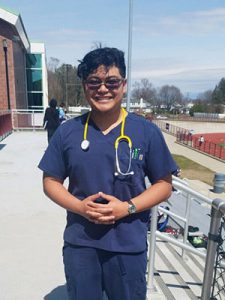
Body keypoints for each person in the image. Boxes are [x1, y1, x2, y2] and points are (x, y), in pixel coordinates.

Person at [38, 47, 177, 300]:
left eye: (111, 81)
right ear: (84, 86)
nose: (103, 89)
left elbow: (164, 184)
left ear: (123, 85)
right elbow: (50, 181)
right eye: (94, 82)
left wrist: (128, 208)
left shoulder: (146, 132)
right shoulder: (68, 132)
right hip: (81, 244)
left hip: (128, 246)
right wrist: (80, 207)